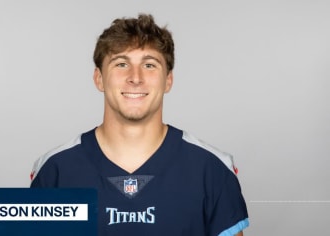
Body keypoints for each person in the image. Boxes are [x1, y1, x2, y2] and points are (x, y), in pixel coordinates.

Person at [30, 13, 249, 236]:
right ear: (99, 79)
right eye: (121, 63)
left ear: (168, 80)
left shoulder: (211, 169)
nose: (135, 77)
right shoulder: (55, 170)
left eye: (149, 65)